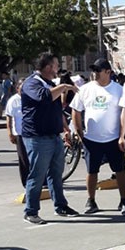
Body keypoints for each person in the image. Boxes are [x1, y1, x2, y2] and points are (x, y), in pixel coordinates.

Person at [20, 52, 80, 224]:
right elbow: (44, 97)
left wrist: (65, 128)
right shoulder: (31, 83)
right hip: (37, 137)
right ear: (48, 67)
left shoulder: (49, 84)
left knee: (56, 173)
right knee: (38, 174)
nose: (58, 69)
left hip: (54, 136)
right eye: (56, 65)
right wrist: (64, 87)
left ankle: (60, 205)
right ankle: (31, 211)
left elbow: (55, 108)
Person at [70, 58, 125, 215]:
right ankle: (91, 200)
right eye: (93, 70)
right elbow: (76, 110)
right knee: (92, 171)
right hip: (92, 139)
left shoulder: (118, 89)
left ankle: (123, 200)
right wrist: (79, 131)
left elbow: (124, 112)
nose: (94, 73)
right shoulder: (85, 89)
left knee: (120, 170)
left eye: (98, 70)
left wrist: (122, 135)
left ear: (108, 72)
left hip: (113, 138)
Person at [5, 80, 30, 186]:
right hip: (19, 133)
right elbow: (9, 118)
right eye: (22, 87)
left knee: (35, 159)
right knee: (24, 159)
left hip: (32, 133)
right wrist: (10, 133)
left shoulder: (31, 98)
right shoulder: (13, 101)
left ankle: (40, 181)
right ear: (17, 88)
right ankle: (26, 182)